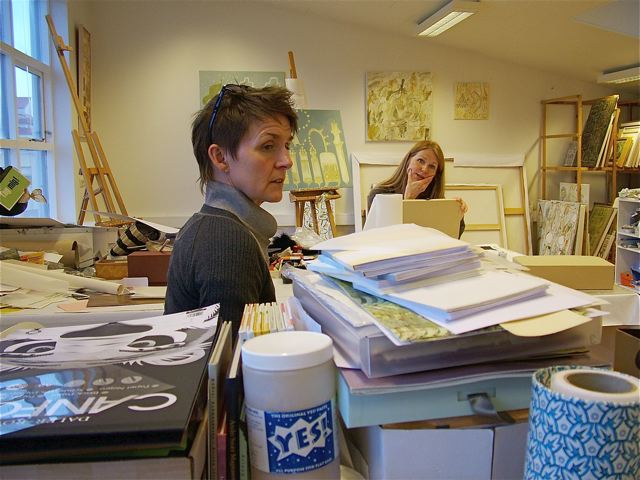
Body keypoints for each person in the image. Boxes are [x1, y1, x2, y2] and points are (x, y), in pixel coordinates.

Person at [164, 84, 298, 337]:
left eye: (287, 146)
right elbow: (232, 357)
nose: (286, 161)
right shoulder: (226, 240)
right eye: (268, 146)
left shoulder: (212, 225)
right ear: (220, 158)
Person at [366, 140, 468, 238]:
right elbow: (386, 237)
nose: (424, 169)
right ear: (408, 160)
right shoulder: (379, 195)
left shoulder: (435, 200)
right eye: (420, 161)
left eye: (432, 166)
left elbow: (450, 238)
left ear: (436, 175)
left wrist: (455, 213)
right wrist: (409, 198)